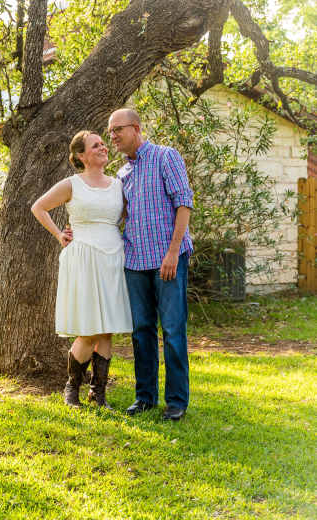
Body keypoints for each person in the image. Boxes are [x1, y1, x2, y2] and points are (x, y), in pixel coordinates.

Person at [31, 131, 133, 408]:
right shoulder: (72, 184)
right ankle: (71, 390)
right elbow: (39, 207)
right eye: (95, 145)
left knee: (107, 330)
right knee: (89, 329)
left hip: (113, 257)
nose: (103, 147)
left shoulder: (118, 184)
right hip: (84, 258)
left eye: (103, 144)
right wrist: (58, 235)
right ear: (80, 156)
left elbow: (126, 216)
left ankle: (98, 394)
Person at [108, 108, 193, 421]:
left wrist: (172, 253)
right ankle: (145, 397)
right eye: (110, 131)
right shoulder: (122, 175)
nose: (113, 136)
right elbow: (118, 217)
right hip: (135, 262)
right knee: (141, 331)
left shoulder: (165, 157)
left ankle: (176, 401)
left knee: (172, 330)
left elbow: (183, 204)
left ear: (136, 128)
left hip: (167, 260)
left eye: (118, 129)